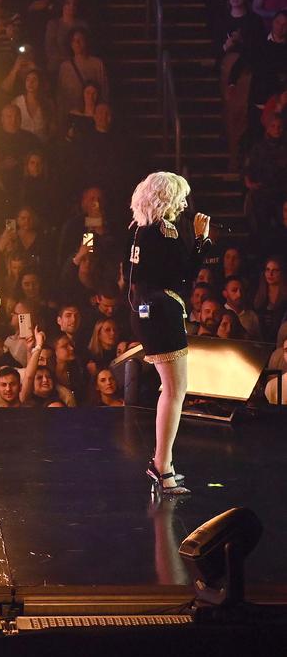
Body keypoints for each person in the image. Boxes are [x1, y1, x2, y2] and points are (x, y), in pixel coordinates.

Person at [124, 172, 211, 497]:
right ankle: (163, 467)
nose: (184, 204)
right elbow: (186, 276)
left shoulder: (136, 231)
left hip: (143, 311)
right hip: (163, 311)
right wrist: (202, 240)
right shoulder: (167, 230)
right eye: (180, 198)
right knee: (175, 390)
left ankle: (163, 463)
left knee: (171, 389)